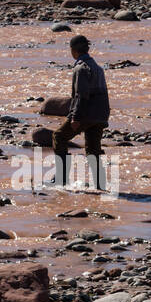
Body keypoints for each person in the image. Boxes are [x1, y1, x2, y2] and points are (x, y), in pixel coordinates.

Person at [52, 34, 110, 191]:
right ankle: (100, 184)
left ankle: (61, 179)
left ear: (73, 50)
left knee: (59, 136)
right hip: (100, 114)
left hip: (86, 113)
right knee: (93, 149)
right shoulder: (97, 67)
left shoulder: (80, 68)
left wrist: (75, 117)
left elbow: (81, 95)